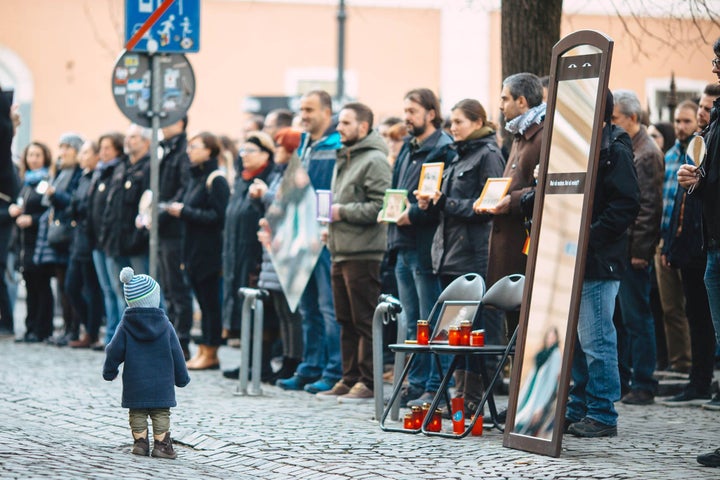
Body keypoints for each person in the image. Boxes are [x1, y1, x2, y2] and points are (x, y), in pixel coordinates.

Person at [417, 98, 505, 413]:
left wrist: (445, 202)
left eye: (459, 122)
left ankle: (472, 399)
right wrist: (433, 202)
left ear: (478, 121)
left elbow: (487, 206)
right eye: (451, 122)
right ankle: (457, 396)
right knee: (454, 331)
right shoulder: (458, 155)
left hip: (472, 255)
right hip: (449, 254)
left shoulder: (488, 154)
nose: (453, 128)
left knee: (472, 331)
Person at [564, 92, 640, 438]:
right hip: (574, 254)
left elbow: (626, 205)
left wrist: (588, 236)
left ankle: (602, 413)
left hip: (598, 259)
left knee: (597, 341)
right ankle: (578, 406)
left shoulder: (615, 148)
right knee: (578, 343)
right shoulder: (579, 144)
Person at [316, 102, 391, 402]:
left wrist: (340, 212)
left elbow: (381, 205)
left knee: (363, 319)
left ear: (363, 127)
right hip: (340, 249)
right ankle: (349, 378)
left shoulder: (374, 160)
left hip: (364, 251)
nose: (338, 128)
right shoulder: (345, 157)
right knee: (344, 319)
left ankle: (368, 381)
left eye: (345, 123)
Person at [276, 90, 344, 394]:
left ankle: (333, 370)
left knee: (328, 308)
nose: (303, 115)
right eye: (301, 109)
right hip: (301, 236)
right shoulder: (304, 144)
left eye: (309, 109)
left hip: (325, 236)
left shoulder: (337, 144)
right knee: (307, 308)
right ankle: (310, 366)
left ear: (327, 112)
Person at [388, 88, 451, 408]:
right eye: (405, 110)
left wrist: (410, 214)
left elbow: (434, 197)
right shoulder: (409, 147)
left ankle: (435, 384)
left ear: (430, 113)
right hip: (402, 243)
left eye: (412, 111)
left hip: (425, 244)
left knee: (430, 318)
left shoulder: (441, 147)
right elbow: (399, 189)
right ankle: (416, 382)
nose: (407, 116)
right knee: (412, 321)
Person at [677, 37, 720, 467]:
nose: (714, 65)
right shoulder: (717, 120)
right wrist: (699, 175)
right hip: (713, 240)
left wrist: (701, 181)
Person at [481, 73, 545, 343]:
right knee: (513, 327)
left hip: (527, 243)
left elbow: (550, 187)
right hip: (510, 238)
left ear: (521, 101)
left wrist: (514, 200)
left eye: (504, 98)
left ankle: (524, 382)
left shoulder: (542, 136)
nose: (500, 105)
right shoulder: (520, 135)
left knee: (526, 326)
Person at [609, 90, 664, 406]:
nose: (612, 123)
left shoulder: (646, 152)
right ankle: (628, 378)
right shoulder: (630, 147)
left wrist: (640, 251)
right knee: (624, 317)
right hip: (623, 247)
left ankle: (644, 381)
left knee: (637, 317)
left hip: (634, 250)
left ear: (632, 118)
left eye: (615, 118)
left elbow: (647, 209)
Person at [103, 267, 190, 459]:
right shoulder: (165, 324)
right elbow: (177, 353)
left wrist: (110, 371)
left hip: (136, 383)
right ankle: (161, 446)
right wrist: (181, 378)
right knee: (161, 414)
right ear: (154, 298)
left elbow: (113, 350)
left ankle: (140, 443)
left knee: (137, 413)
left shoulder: (125, 324)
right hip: (162, 384)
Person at [167, 132, 230, 371]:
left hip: (209, 252)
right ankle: (204, 349)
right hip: (193, 250)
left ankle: (211, 351)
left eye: (196, 146)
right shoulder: (195, 178)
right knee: (203, 305)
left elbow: (218, 217)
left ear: (210, 151)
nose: (190, 150)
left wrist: (184, 212)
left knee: (210, 304)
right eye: (190, 146)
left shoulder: (216, 179)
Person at [221, 131, 277, 380]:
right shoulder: (242, 181)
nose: (244, 156)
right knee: (242, 308)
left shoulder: (267, 181)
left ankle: (261, 364)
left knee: (259, 312)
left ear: (265, 154)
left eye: (250, 151)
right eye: (242, 152)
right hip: (236, 254)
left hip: (255, 255)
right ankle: (247, 362)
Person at [255, 127, 305, 382]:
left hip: (286, 247)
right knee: (282, 310)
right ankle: (287, 357)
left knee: (291, 309)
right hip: (272, 245)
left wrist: (265, 195)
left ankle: (293, 359)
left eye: (279, 147)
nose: (276, 151)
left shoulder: (294, 173)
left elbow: (289, 202)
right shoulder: (278, 173)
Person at [655, 102, 697, 377]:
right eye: (678, 121)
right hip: (665, 239)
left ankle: (695, 365)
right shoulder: (669, 155)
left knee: (693, 306)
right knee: (669, 306)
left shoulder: (699, 152)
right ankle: (679, 362)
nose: (681, 126)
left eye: (686, 121)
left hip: (690, 239)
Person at [34, 132, 84, 346]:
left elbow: (72, 202)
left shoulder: (78, 174)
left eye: (67, 148)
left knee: (72, 285)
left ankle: (74, 328)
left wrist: (55, 194)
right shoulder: (60, 172)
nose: (62, 152)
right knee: (62, 284)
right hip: (57, 236)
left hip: (70, 235)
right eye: (61, 147)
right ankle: (66, 327)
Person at [102, 124, 152, 322]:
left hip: (137, 242)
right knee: (120, 293)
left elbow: (147, 205)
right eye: (128, 137)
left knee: (143, 295)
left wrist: (139, 236)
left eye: (133, 137)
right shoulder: (122, 167)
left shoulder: (149, 168)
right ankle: (127, 336)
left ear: (146, 142)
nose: (128, 141)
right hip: (116, 241)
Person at [157, 117, 193, 360]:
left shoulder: (183, 151)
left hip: (175, 230)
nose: (162, 124)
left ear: (180, 122)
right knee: (168, 289)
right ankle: (172, 338)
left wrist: (163, 210)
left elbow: (183, 188)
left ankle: (181, 342)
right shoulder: (166, 149)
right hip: (163, 227)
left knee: (177, 289)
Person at [11, 142, 53, 342]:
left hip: (40, 242)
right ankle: (30, 328)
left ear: (44, 157)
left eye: (38, 155)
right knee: (30, 288)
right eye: (30, 155)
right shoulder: (25, 183)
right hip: (24, 243)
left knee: (41, 286)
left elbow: (49, 211)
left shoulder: (47, 181)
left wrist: (32, 219)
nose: (34, 159)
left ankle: (43, 328)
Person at [88, 132, 125, 350]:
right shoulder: (99, 173)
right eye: (101, 148)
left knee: (118, 290)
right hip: (97, 240)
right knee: (107, 291)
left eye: (107, 148)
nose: (103, 152)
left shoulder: (117, 171)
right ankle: (111, 334)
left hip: (110, 241)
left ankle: (119, 335)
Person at [66, 140, 105, 348]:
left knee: (92, 288)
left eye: (86, 153)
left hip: (90, 240)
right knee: (71, 287)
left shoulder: (96, 177)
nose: (82, 157)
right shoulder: (82, 178)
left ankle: (92, 331)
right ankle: (88, 326)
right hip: (77, 239)